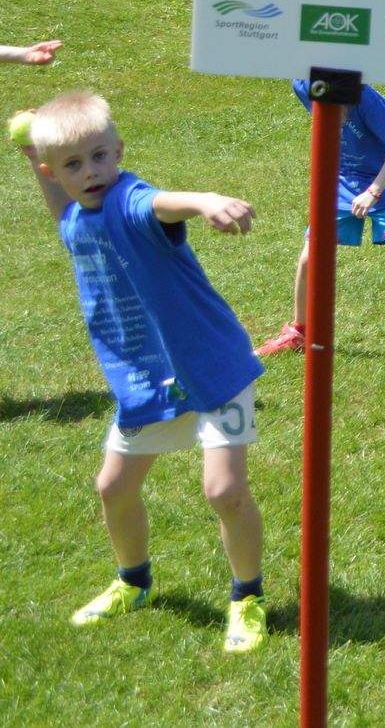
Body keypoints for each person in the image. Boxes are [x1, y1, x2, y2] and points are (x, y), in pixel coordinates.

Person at [12, 91, 269, 652]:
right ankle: (134, 582)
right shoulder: (78, 219)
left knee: (225, 491)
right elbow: (62, 214)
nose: (91, 172)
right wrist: (36, 158)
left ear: (119, 152)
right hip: (145, 380)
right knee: (113, 487)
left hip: (210, 366)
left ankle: (247, 597)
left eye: (100, 156)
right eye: (73, 165)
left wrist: (204, 201)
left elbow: (159, 204)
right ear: (54, 173)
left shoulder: (129, 201)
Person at [254, 81, 385, 363]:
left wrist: (373, 192)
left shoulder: (364, 97)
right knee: (309, 259)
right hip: (341, 184)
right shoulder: (305, 86)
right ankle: (299, 333)